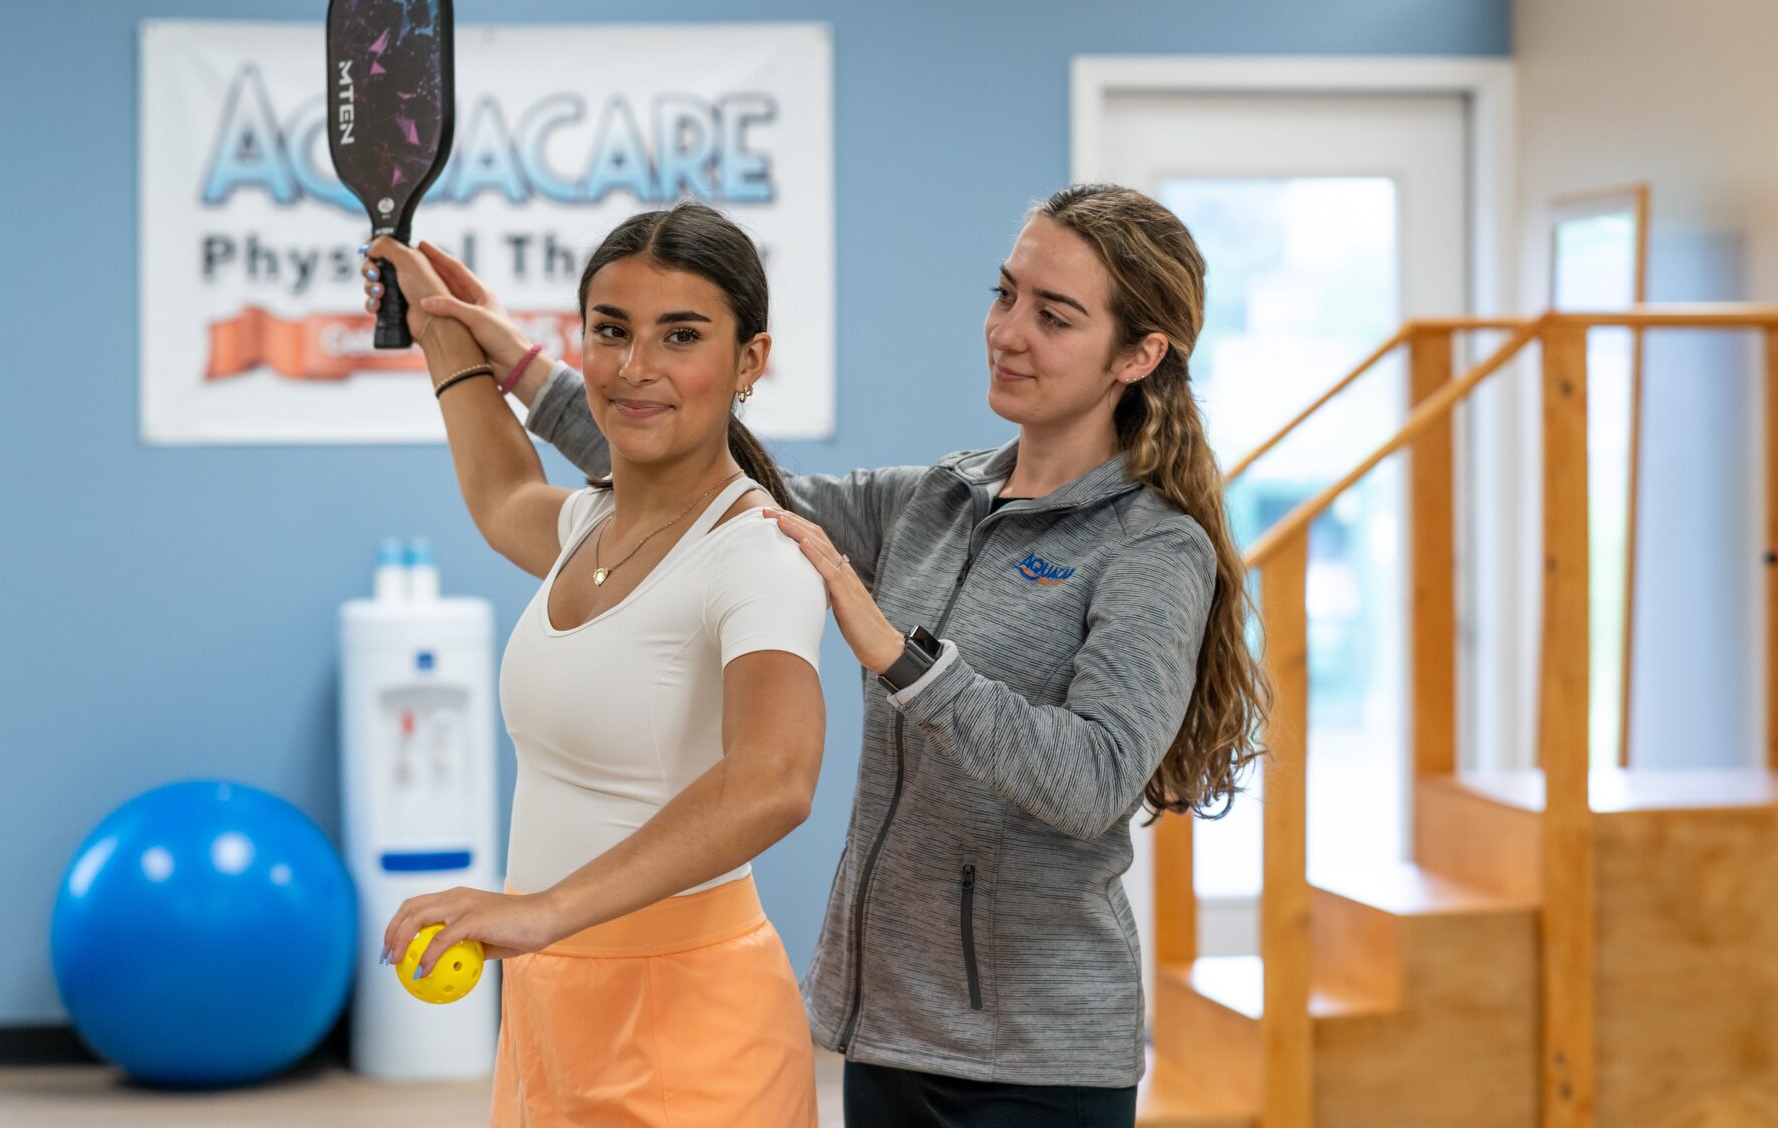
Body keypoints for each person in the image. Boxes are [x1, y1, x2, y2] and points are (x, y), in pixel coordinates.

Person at [373, 184, 1271, 1128]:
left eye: (1052, 316)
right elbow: (694, 475)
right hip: (883, 1022)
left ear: (1139, 353)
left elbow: (1095, 779)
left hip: (1038, 1055)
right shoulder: (935, 500)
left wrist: (900, 654)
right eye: (1005, 295)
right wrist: (511, 364)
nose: (1008, 332)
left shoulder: (1154, 546)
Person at [370, 204, 828, 1127]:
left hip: (690, 1019)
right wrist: (441, 332)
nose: (635, 367)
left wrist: (543, 908)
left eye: (681, 336)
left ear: (750, 361)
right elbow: (503, 497)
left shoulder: (759, 556)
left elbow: (775, 779)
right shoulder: (592, 524)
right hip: (553, 1001)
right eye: (611, 331)